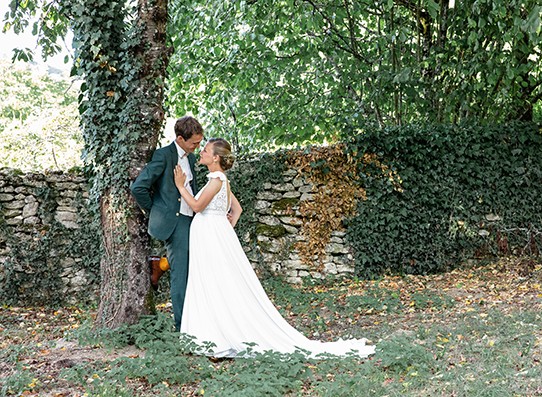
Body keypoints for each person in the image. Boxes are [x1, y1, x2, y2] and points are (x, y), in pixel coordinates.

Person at [174, 138, 375, 359]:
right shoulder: (221, 180)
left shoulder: (216, 180)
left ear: (216, 157)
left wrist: (181, 186)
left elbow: (196, 206)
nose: (201, 152)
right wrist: (223, 228)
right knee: (215, 282)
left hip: (211, 237)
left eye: (205, 150)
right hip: (213, 235)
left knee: (212, 282)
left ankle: (216, 338)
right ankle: (214, 335)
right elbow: (237, 210)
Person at [130, 115, 204, 332]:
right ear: (180, 139)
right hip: (176, 223)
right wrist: (156, 211)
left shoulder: (190, 159)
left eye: (200, 143)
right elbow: (139, 188)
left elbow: (192, 189)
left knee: (194, 270)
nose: (197, 147)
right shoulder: (163, 156)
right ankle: (183, 328)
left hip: (194, 220)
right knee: (180, 274)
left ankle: (160, 265)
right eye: (194, 143)